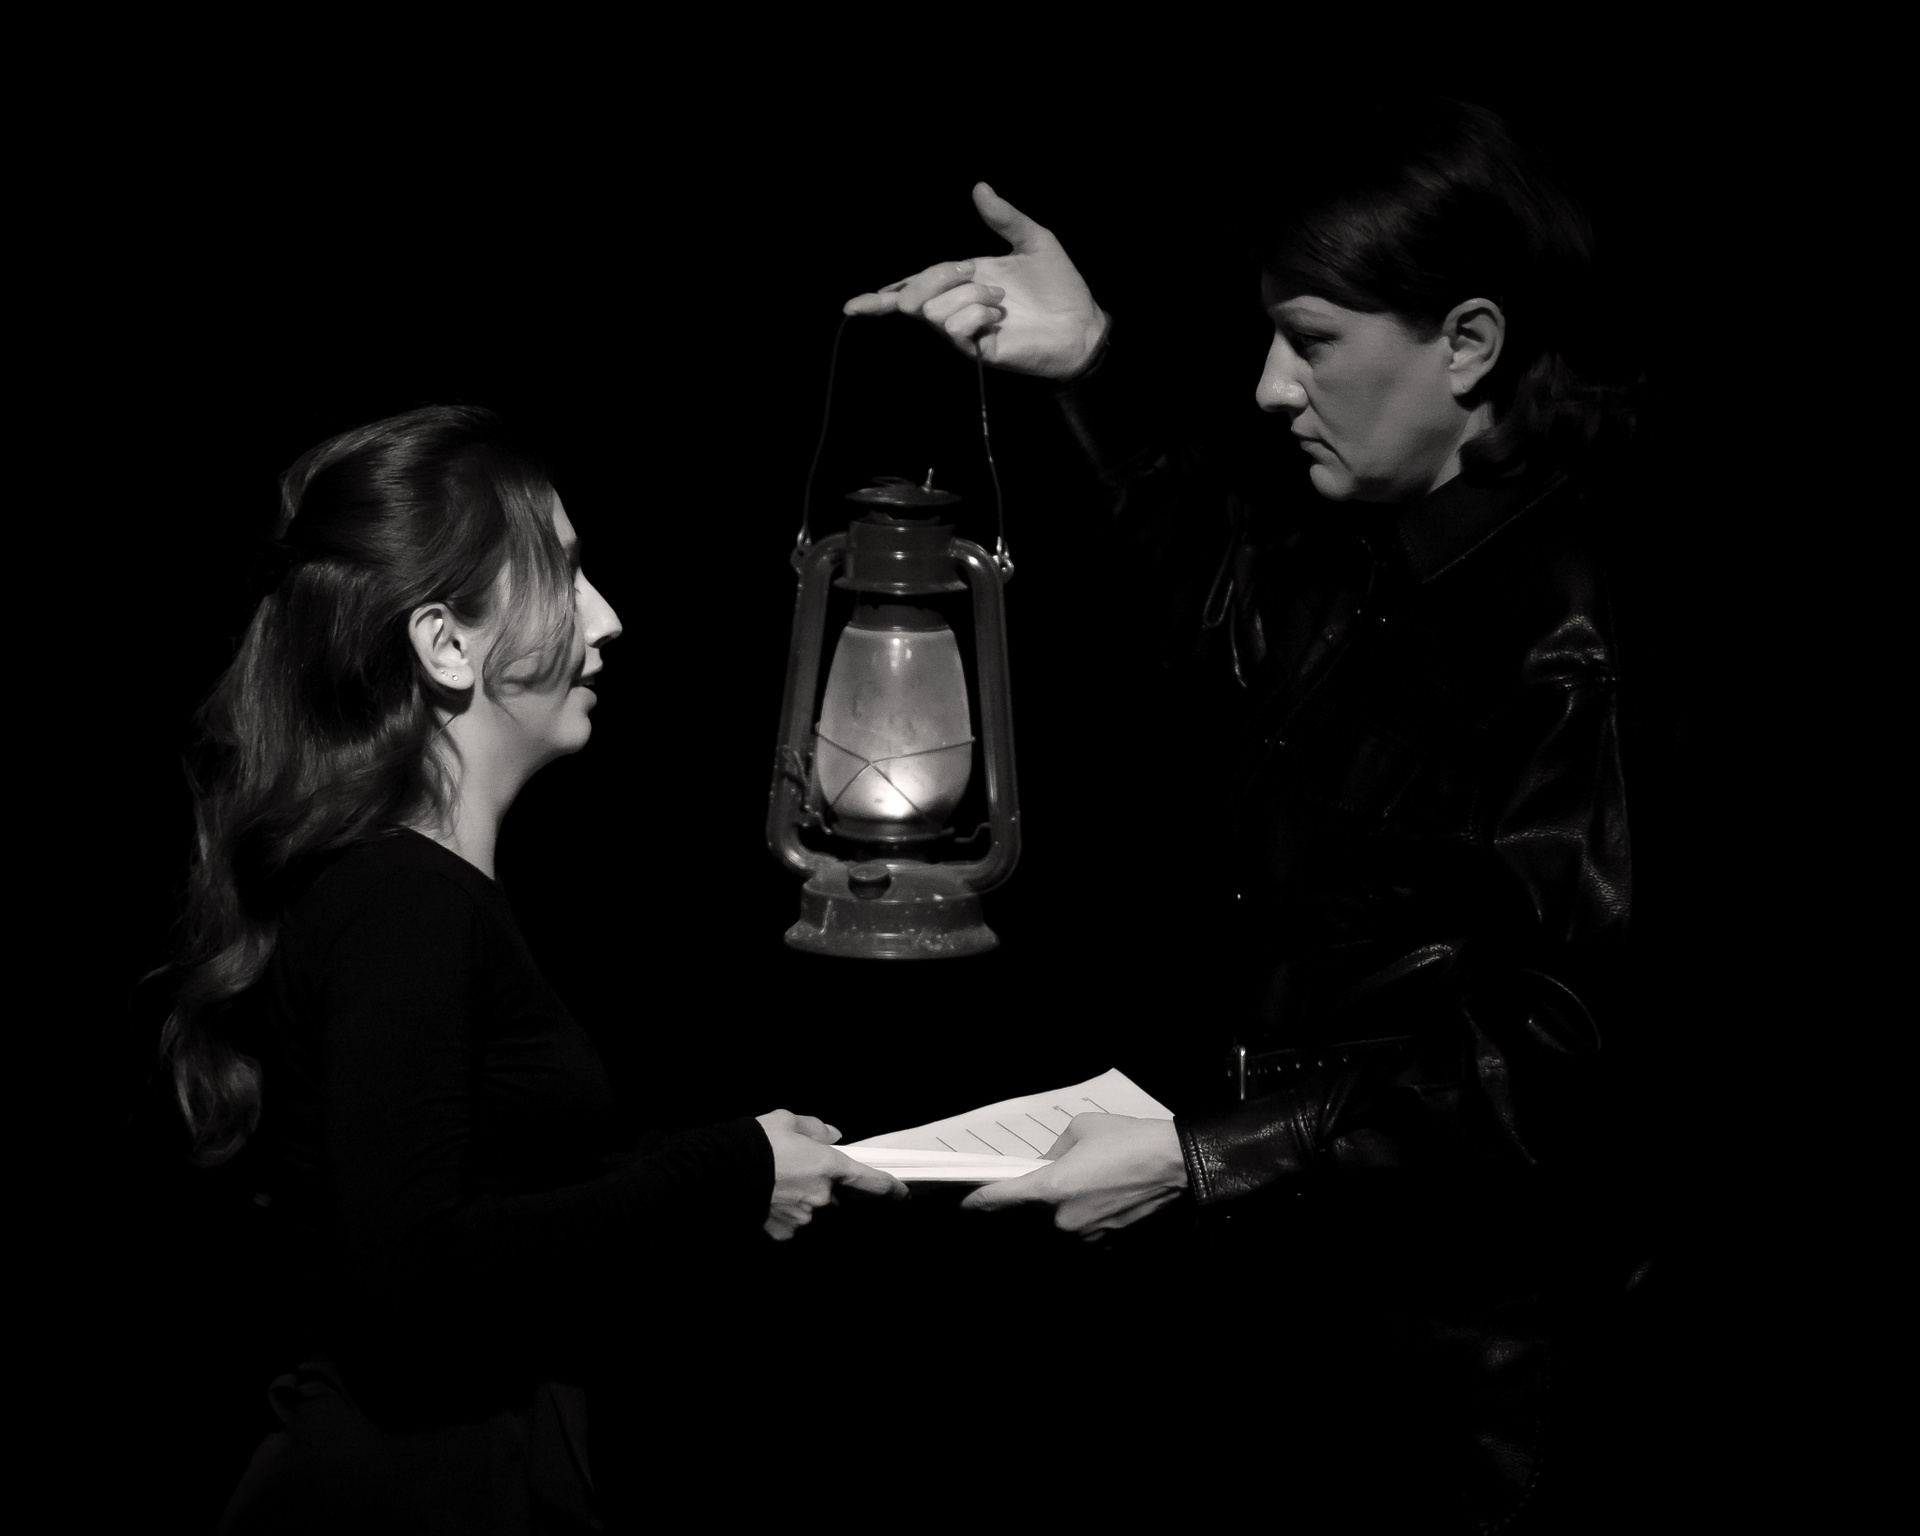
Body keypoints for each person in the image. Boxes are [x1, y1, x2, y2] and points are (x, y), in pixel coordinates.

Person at [844, 99, 1659, 1527]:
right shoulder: (1370, 547)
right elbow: (1224, 605)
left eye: (1314, 341)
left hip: (1482, 1397)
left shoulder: (1577, 625)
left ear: (1469, 344)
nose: (1273, 387)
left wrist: (1206, 1160)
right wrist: (1090, 363)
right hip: (1314, 1331)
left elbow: (1570, 1055)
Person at [158, 405, 905, 1533]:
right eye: (562, 573)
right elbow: (416, 1272)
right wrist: (726, 1171)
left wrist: (743, 1167)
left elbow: (500, 1203)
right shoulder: (399, 903)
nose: (607, 619)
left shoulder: (413, 895)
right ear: (446, 645)